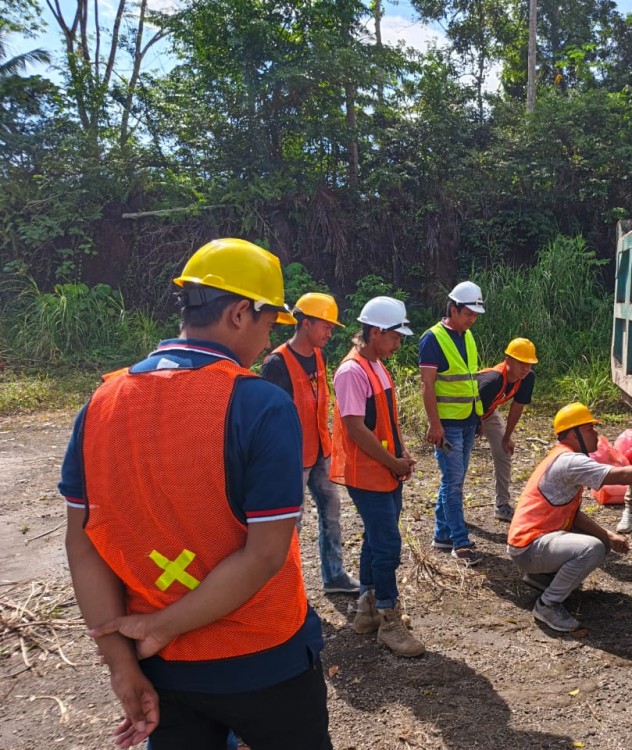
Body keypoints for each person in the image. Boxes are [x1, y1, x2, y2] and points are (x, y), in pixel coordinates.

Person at [60, 238, 332, 750]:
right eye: (268, 324)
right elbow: (265, 555)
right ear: (239, 313)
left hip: (161, 670)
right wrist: (163, 627)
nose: (267, 341)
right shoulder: (259, 405)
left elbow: (83, 543)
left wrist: (121, 663)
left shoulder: (100, 404)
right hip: (262, 657)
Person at [507, 402, 632, 633]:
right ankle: (547, 605)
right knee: (591, 548)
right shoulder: (569, 461)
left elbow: (572, 514)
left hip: (532, 544)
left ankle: (542, 579)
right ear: (573, 434)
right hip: (528, 549)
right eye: (589, 429)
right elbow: (622, 475)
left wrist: (608, 535)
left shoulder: (562, 456)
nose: (596, 434)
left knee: (601, 541)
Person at [329, 296, 424, 658]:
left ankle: (367, 610)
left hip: (384, 468)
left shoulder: (376, 365)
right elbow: (356, 429)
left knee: (375, 538)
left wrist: (401, 454)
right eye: (396, 337)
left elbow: (384, 420)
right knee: (387, 546)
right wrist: (391, 461)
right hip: (367, 472)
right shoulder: (351, 372)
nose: (399, 343)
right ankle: (389, 618)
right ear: (376, 332)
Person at [261, 292, 359, 594]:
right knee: (291, 523)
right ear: (305, 324)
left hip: (319, 450)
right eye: (326, 326)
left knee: (332, 510)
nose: (330, 333)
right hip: (292, 458)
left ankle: (334, 576)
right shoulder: (276, 363)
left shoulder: (318, 355)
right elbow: (271, 419)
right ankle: (284, 588)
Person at [419, 280, 486, 566]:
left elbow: (470, 379)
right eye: (468, 313)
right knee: (453, 483)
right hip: (448, 425)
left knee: (453, 480)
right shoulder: (432, 338)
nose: (472, 319)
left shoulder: (467, 336)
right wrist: (435, 425)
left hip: (468, 419)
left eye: (475, 315)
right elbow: (427, 386)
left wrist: (478, 416)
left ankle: (442, 535)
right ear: (453, 309)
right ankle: (460, 542)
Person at [476, 337, 538, 522]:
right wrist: (476, 426)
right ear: (508, 360)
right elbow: (470, 406)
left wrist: (507, 437)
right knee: (458, 459)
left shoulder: (527, 378)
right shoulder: (492, 380)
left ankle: (502, 505)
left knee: (504, 451)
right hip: (464, 413)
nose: (525, 368)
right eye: (521, 363)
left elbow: (517, 407)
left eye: (529, 363)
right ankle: (449, 508)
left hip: (488, 412)